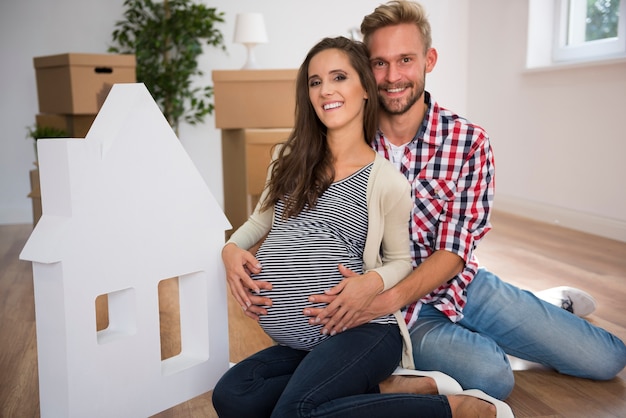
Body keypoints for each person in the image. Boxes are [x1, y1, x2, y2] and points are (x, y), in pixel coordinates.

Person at [292, 0, 626, 401]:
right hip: (399, 314)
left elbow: (453, 252)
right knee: (492, 376)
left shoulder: (469, 142)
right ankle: (524, 321)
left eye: (405, 60)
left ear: (429, 60)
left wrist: (383, 299)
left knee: (606, 359)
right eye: (379, 63)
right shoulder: (348, 138)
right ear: (366, 68)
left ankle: (543, 306)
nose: (393, 76)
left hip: (457, 284)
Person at [212, 36, 513, 418]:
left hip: (363, 332)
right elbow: (260, 220)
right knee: (232, 396)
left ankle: (457, 410)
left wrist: (370, 283)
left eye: (339, 77)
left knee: (294, 412)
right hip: (304, 345)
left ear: (365, 90)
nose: (326, 90)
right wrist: (230, 249)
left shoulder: (385, 180)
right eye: (315, 81)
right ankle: (384, 390)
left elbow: (401, 261)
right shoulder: (286, 161)